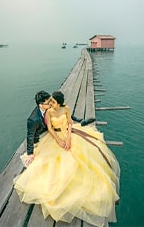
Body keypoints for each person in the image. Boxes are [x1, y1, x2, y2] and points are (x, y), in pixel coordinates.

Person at [13, 91, 119, 226]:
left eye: (52, 101)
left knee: (83, 156)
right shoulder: (39, 116)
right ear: (42, 105)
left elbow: (69, 121)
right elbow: (45, 130)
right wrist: (33, 152)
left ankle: (82, 122)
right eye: (48, 102)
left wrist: (68, 138)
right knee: (55, 165)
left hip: (67, 133)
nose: (50, 103)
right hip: (52, 137)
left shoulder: (64, 108)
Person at [24, 90, 52, 165]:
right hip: (41, 137)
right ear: (40, 105)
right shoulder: (33, 119)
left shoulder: (49, 108)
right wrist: (30, 153)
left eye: (50, 101)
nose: (50, 104)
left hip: (49, 130)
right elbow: (30, 135)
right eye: (48, 103)